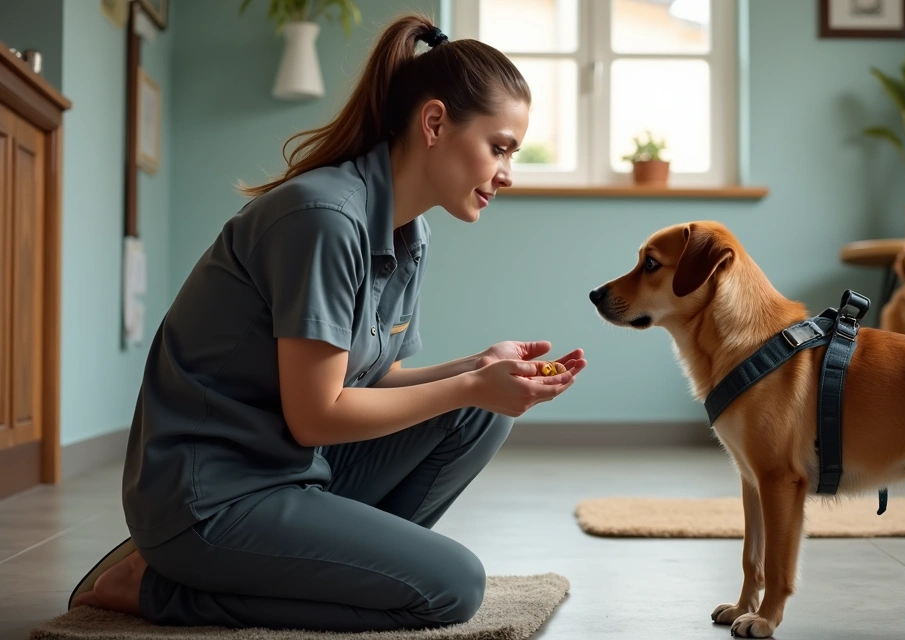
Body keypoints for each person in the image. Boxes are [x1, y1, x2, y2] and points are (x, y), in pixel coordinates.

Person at [68, 12, 586, 632]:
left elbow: (372, 377)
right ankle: (158, 586)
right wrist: (472, 384)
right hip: (209, 500)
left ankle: (345, 567)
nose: (507, 172)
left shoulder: (407, 230)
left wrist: (479, 371)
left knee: (479, 413)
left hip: (292, 474)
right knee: (452, 588)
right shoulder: (323, 219)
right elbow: (316, 413)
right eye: (498, 147)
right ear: (435, 123)